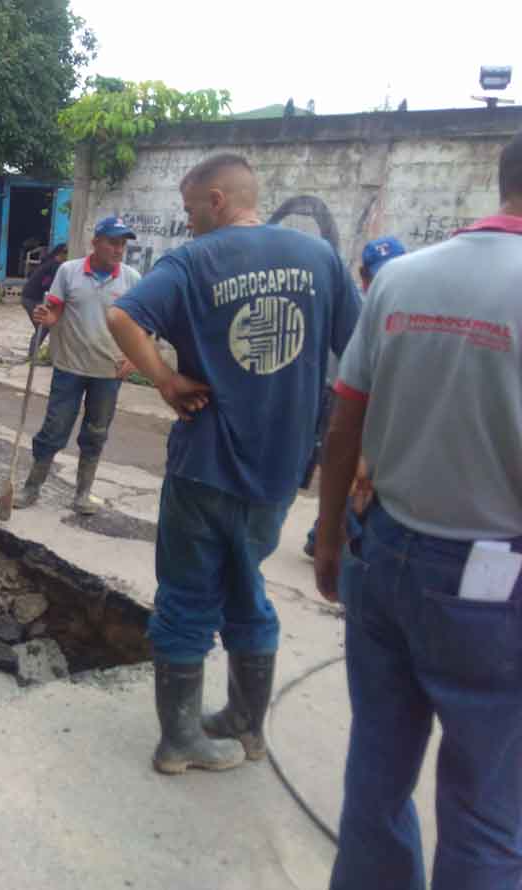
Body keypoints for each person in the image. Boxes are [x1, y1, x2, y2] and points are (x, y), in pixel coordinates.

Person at [105, 154, 362, 774]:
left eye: (192, 208)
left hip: (203, 465)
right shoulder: (321, 260)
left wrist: (164, 379)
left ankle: (181, 740)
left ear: (217, 200)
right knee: (250, 591)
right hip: (277, 473)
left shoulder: (192, 262)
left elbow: (122, 315)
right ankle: (246, 727)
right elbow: (360, 360)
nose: (189, 221)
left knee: (187, 598)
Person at [315, 130, 522, 890]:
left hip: (387, 553)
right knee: (487, 812)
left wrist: (331, 533)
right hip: (494, 579)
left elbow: (345, 424)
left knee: (377, 772)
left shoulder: (401, 278)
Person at [16, 219, 140, 515]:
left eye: (123, 244)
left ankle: (82, 494)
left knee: (96, 432)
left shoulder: (132, 278)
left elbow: (142, 323)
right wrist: (47, 318)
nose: (119, 249)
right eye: (113, 242)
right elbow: (56, 311)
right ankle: (31, 488)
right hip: (69, 366)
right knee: (54, 428)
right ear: (96, 242)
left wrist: (135, 358)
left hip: (108, 371)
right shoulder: (69, 271)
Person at [303, 235, 406, 556]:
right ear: (364, 276)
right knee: (347, 469)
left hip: (369, 401)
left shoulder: (399, 308)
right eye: (376, 276)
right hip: (339, 397)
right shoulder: (358, 306)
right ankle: (326, 534)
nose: (381, 282)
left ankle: (323, 532)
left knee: (355, 473)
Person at [21, 242, 68, 354]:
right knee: (43, 327)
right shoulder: (55, 266)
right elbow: (51, 286)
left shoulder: (49, 263)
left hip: (30, 297)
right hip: (31, 298)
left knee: (43, 327)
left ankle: (37, 353)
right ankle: (32, 355)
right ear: (61, 254)